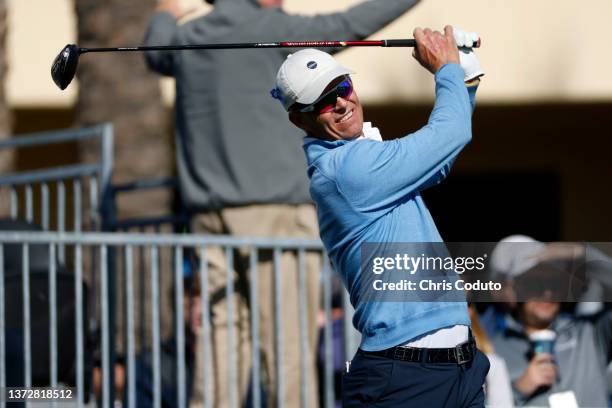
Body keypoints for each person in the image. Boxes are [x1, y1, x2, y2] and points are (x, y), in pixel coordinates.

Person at [143, 0, 423, 406]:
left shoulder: (189, 37)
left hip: (208, 218)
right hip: (274, 217)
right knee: (286, 342)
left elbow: (156, 50)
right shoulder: (273, 29)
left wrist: (164, 13)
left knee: (221, 340)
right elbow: (350, 24)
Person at [273, 25, 489, 406]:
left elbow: (437, 162)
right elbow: (449, 134)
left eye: (342, 88)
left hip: (460, 368)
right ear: (298, 120)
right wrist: (447, 71)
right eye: (323, 102)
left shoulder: (364, 157)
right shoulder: (343, 171)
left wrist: (465, 79)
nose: (341, 103)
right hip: (403, 378)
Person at [488, 238, 612, 407]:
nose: (547, 293)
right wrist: (518, 390)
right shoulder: (493, 348)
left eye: (554, 283)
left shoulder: (589, 332)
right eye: (535, 283)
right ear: (514, 290)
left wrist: (582, 253)